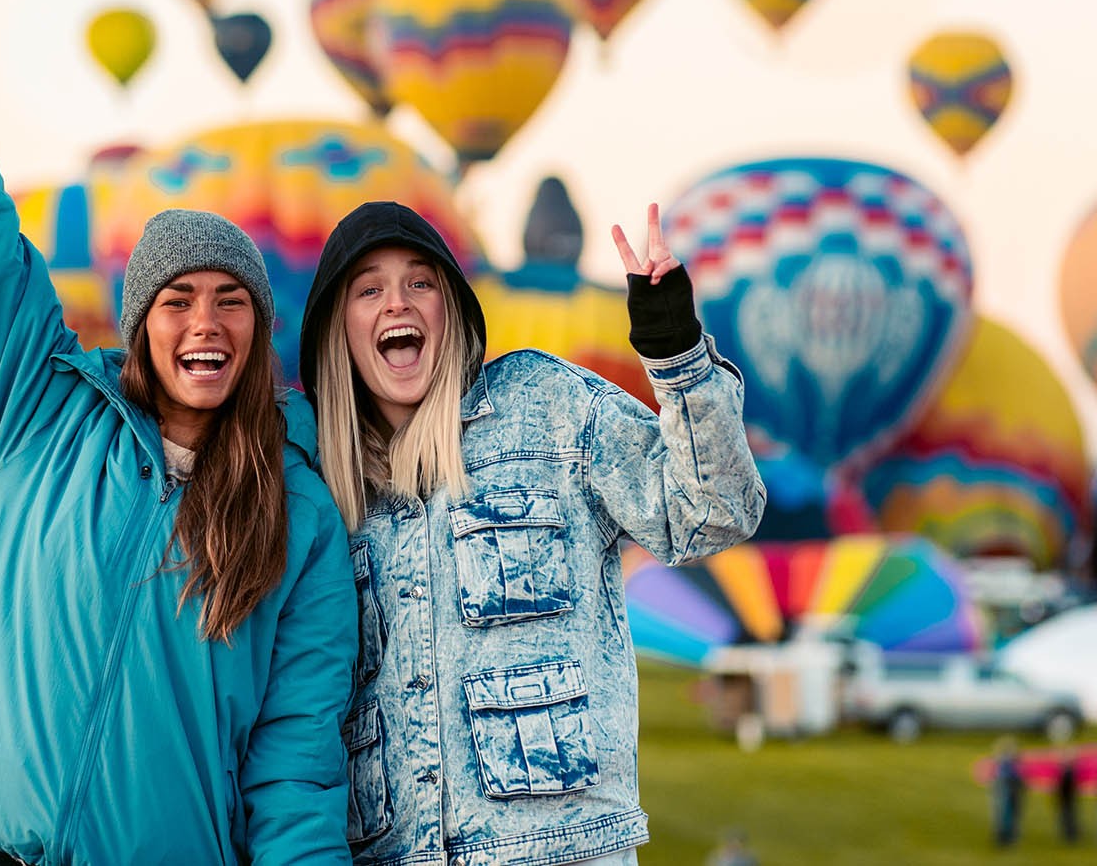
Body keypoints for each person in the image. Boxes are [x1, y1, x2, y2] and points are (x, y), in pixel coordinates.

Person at [0, 0, 356, 866]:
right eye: (177, 302)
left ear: (260, 329)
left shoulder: (302, 520)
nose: (204, 323)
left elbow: (296, 759)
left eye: (231, 300)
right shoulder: (41, 414)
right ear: (140, 325)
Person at [297, 199, 765, 865]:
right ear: (337, 330)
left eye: (420, 282)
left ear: (452, 309)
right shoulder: (323, 491)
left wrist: (678, 356)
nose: (396, 302)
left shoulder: (546, 407)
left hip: (559, 851)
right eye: (368, 288)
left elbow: (712, 512)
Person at [989, 739, 1024, 848]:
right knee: (1006, 812)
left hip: (1010, 788)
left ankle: (1006, 835)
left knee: (1007, 812)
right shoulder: (1008, 764)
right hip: (1008, 788)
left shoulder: (1007, 764)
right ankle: (1005, 835)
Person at [1054, 752, 1080, 842]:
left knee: (1068, 817)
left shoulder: (1068, 773)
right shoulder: (1069, 772)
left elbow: (1064, 787)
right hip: (1068, 799)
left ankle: (1070, 834)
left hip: (1067, 799)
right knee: (1069, 816)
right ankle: (1070, 833)